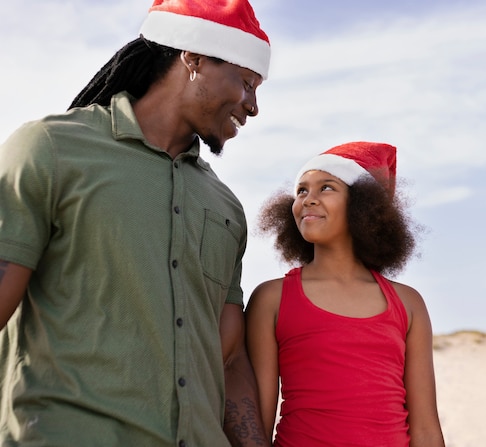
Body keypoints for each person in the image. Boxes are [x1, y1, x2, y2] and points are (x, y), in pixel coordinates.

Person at [0, 0, 271, 445]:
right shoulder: (51, 149)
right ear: (195, 58)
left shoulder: (226, 207)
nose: (254, 106)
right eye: (246, 82)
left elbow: (229, 358)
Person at [245, 142, 446, 446]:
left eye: (326, 188)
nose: (308, 199)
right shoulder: (271, 298)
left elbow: (426, 430)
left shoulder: (408, 303)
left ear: (363, 206)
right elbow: (257, 423)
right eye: (301, 191)